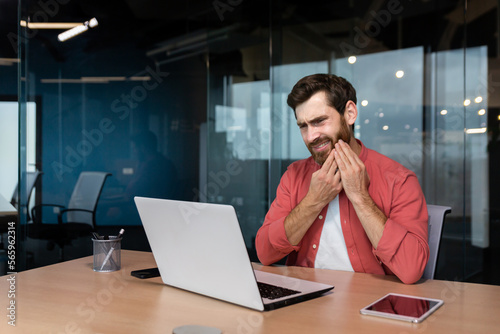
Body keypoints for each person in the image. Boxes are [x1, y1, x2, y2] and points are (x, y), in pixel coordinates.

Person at [255, 74, 429, 284]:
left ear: (349, 113)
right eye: (303, 126)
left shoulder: (399, 180)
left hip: (368, 305)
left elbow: (411, 270)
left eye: (319, 121)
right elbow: (265, 253)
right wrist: (314, 201)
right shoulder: (294, 175)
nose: (311, 136)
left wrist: (359, 196)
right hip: (303, 303)